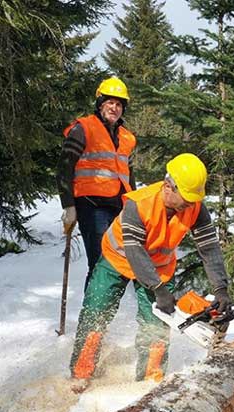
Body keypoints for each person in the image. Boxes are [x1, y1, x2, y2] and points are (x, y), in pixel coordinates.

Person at [68, 153, 232, 391]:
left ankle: (149, 385)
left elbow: (209, 247)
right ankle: (80, 375)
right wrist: (158, 288)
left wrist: (221, 288)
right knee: (96, 311)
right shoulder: (139, 203)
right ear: (168, 187)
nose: (190, 203)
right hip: (116, 260)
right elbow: (135, 250)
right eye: (186, 198)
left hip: (159, 267)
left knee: (156, 325)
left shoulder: (195, 208)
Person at [57, 76, 136, 288]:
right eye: (110, 102)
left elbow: (129, 175)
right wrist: (69, 206)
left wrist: (135, 205)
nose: (115, 107)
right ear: (100, 103)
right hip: (92, 207)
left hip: (120, 207)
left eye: (119, 104)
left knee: (119, 264)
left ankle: (103, 314)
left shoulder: (127, 138)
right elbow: (64, 169)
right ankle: (91, 318)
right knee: (100, 263)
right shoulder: (83, 128)